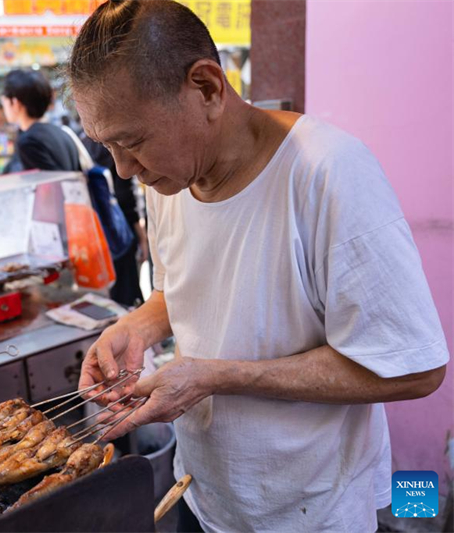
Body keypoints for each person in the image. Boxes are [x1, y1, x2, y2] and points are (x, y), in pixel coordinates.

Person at [70, 2, 448, 532]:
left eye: (132, 142)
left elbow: (414, 367)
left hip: (308, 510)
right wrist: (139, 324)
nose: (124, 169)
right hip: (202, 489)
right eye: (107, 146)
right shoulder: (168, 178)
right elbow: (194, 287)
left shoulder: (329, 174)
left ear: (206, 88)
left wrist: (219, 376)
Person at [79, 130, 146, 307]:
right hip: (121, 227)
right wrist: (141, 232)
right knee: (128, 289)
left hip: (100, 230)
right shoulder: (115, 137)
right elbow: (126, 192)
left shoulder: (85, 143)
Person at [1, 69, 80, 172]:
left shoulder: (29, 142)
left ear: (15, 103)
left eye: (3, 101)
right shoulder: (61, 132)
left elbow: (46, 185)